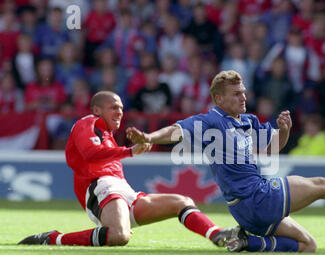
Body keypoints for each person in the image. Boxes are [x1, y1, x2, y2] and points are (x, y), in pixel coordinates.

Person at [127, 70, 325, 253]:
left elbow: (275, 146)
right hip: (256, 198)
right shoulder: (209, 120)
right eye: (236, 94)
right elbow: (176, 130)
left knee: (308, 246)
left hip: (248, 209)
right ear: (218, 98)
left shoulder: (248, 121)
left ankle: (250, 242)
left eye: (244, 92)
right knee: (322, 185)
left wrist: (284, 130)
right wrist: (149, 138)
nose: (243, 97)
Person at [18, 91, 232, 247]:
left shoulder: (108, 135)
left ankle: (217, 235)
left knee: (182, 202)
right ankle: (54, 238)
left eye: (121, 108)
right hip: (100, 188)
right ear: (96, 110)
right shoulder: (87, 123)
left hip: (124, 191)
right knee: (119, 236)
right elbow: (90, 154)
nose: (119, 112)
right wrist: (130, 152)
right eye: (113, 107)